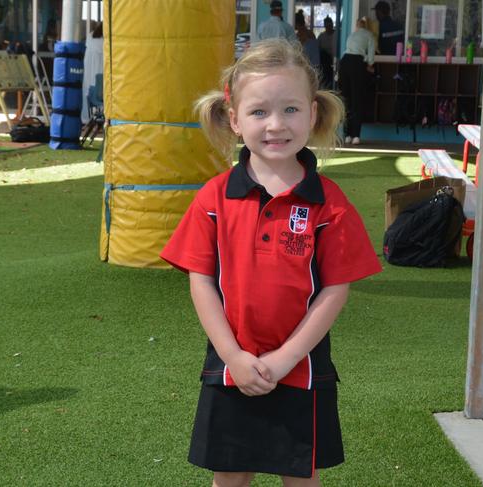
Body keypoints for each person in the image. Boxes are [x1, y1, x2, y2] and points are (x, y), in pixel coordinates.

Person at [160, 39, 381, 486]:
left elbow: (335, 290)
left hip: (300, 368)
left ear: (313, 114)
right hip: (230, 368)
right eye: (259, 112)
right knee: (230, 477)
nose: (276, 125)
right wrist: (232, 355)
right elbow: (200, 280)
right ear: (234, 120)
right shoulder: (214, 198)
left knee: (300, 477)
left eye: (291, 110)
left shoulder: (329, 204)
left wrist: (284, 359)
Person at [338, 17, 375, 145]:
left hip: (345, 62)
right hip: (357, 64)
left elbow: (347, 50)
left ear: (357, 26)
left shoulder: (352, 35)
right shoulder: (370, 35)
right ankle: (356, 136)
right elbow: (371, 55)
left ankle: (346, 135)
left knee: (346, 99)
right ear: (366, 26)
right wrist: (370, 65)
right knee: (357, 99)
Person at [81, 22, 103, 123]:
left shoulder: (90, 38)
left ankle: (86, 118)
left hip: (88, 78)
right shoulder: (105, 43)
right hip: (100, 84)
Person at [317, 16, 336, 89]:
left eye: (330, 25)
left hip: (334, 59)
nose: (328, 27)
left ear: (332, 25)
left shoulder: (336, 34)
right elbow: (317, 49)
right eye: (326, 25)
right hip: (325, 62)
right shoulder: (321, 36)